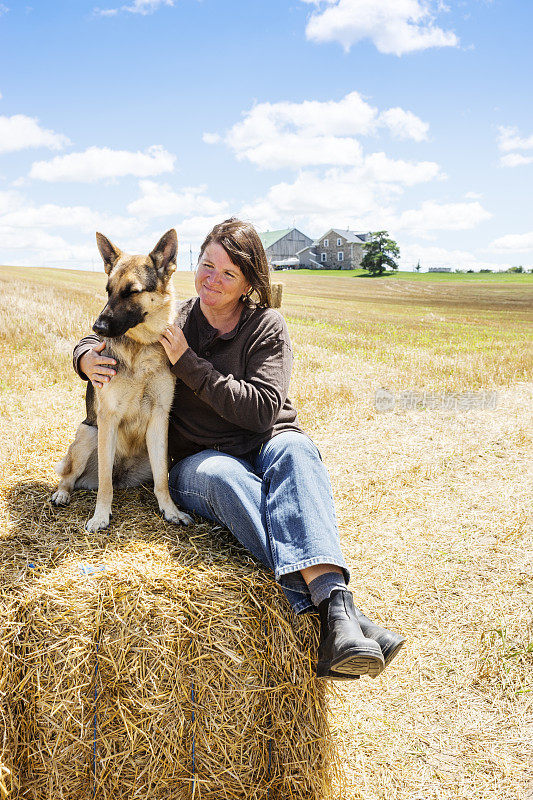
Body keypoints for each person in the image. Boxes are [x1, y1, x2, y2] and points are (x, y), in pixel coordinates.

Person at [74, 218, 405, 680]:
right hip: (202, 460)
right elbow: (114, 322)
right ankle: (346, 613)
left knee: (298, 452)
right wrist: (83, 354)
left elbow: (262, 413)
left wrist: (189, 364)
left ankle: (336, 613)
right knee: (221, 477)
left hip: (265, 441)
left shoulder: (267, 325)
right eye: (207, 265)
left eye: (228, 274)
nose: (212, 279)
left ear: (250, 282)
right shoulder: (178, 317)